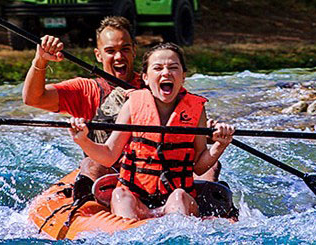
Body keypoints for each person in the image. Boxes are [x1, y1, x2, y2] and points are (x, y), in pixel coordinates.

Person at [21, 16, 220, 203]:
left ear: (134, 50)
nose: (119, 56)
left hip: (158, 171)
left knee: (212, 168)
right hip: (109, 171)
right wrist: (40, 61)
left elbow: (185, 122)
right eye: (110, 51)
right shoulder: (85, 90)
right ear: (98, 55)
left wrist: (200, 133)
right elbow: (33, 98)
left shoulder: (158, 84)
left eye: (125, 49)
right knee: (92, 163)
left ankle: (210, 211)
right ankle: (87, 209)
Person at [67, 43, 234, 220]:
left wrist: (219, 145)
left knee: (178, 196)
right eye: (158, 68)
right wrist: (82, 140)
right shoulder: (133, 104)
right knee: (120, 196)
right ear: (146, 78)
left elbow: (199, 168)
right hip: (136, 197)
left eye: (173, 67)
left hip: (175, 198)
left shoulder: (196, 110)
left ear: (183, 77)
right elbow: (109, 155)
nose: (166, 73)